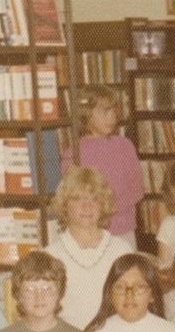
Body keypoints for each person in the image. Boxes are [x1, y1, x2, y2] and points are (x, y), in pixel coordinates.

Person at [45, 166, 133, 331]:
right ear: (64, 204)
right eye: (78, 200)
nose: (87, 207)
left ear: (103, 204)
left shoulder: (121, 249)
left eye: (94, 199)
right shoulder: (50, 256)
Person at [61, 84, 144, 249]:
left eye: (113, 111)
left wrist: (109, 209)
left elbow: (137, 190)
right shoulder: (74, 153)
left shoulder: (124, 146)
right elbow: (71, 196)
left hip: (122, 230)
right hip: (89, 232)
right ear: (87, 115)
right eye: (103, 112)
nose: (111, 117)